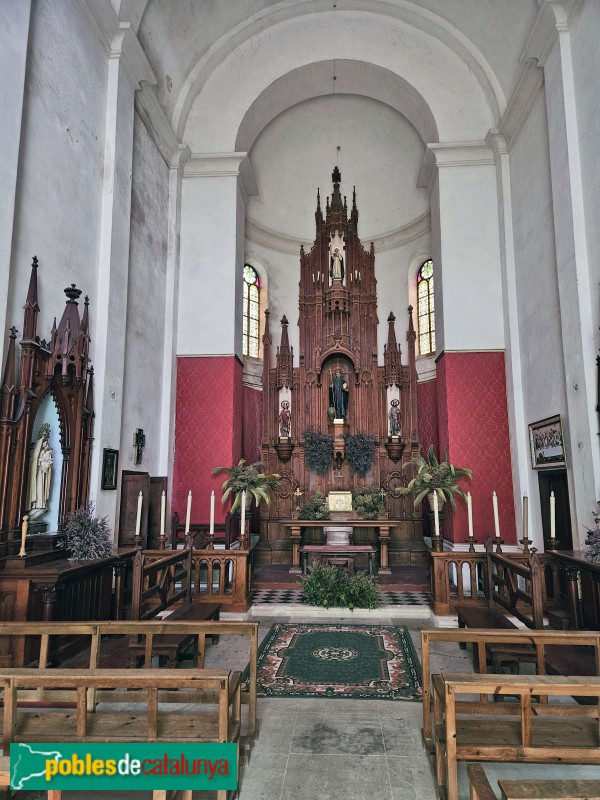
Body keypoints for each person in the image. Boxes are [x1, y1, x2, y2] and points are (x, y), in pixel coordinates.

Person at [28, 425, 53, 513]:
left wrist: (46, 463)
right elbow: (34, 461)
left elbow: (47, 464)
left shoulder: (46, 452)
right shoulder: (36, 452)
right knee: (37, 487)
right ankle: (36, 504)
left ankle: (41, 504)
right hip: (37, 473)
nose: (45, 444)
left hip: (42, 473)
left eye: (46, 442)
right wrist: (39, 463)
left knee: (41, 488)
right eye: (44, 442)